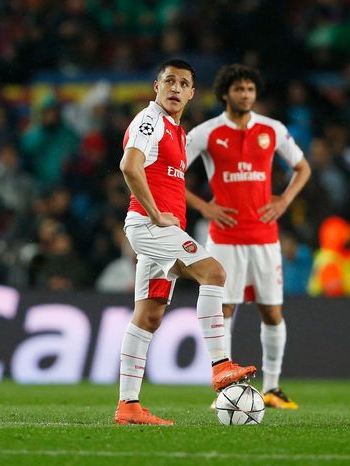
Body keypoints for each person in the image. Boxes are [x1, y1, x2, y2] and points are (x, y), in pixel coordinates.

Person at [115, 58, 256, 426]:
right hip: (150, 226)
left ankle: (128, 406)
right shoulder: (150, 121)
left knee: (148, 316)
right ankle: (220, 366)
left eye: (183, 84)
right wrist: (155, 212)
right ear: (155, 87)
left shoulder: (176, 130)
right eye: (169, 82)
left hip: (155, 231)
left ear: (192, 93)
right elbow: (129, 166)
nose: (175, 88)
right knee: (214, 273)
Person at [186, 64, 311, 409]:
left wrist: (284, 200)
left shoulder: (272, 130)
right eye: (239, 89)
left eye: (250, 90)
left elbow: (303, 168)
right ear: (225, 93)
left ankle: (272, 387)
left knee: (271, 312)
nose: (246, 95)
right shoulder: (206, 133)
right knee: (223, 310)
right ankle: (225, 386)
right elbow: (170, 173)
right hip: (224, 239)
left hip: (264, 238)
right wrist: (203, 207)